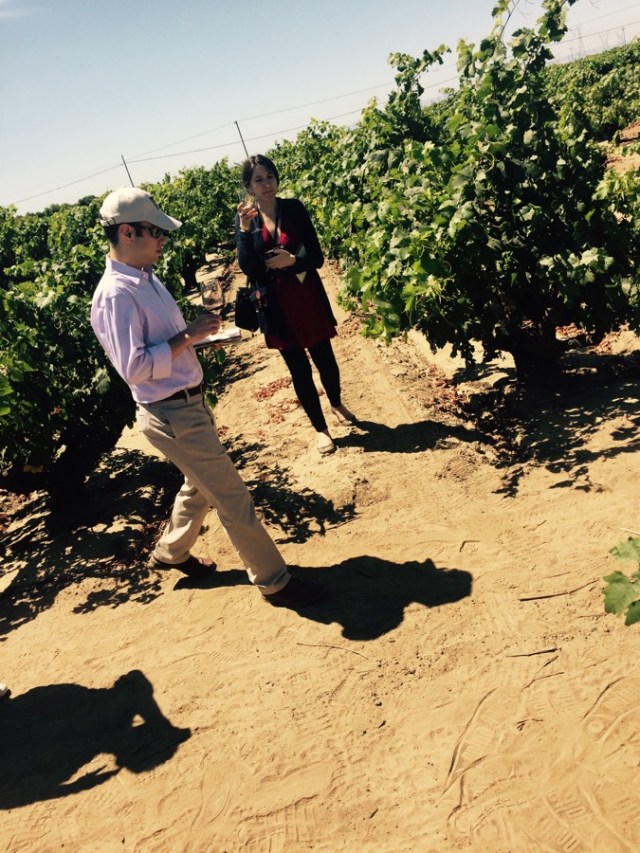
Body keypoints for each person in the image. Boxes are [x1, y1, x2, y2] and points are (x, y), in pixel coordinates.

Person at [90, 186, 324, 608]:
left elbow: (163, 345)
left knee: (198, 486)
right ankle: (275, 582)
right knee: (233, 497)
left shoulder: (145, 278)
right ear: (127, 232)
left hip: (187, 405)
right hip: (171, 413)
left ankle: (171, 552)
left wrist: (198, 341)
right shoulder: (115, 295)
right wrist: (190, 334)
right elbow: (135, 369)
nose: (163, 240)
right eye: (155, 232)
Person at [235, 154, 355, 457]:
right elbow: (249, 268)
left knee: (325, 359)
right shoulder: (248, 222)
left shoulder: (294, 209)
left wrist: (293, 260)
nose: (267, 184)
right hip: (275, 306)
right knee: (299, 370)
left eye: (270, 176)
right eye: (259, 179)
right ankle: (321, 430)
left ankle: (337, 403)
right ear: (248, 186)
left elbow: (316, 257)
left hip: (306, 296)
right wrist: (243, 229)